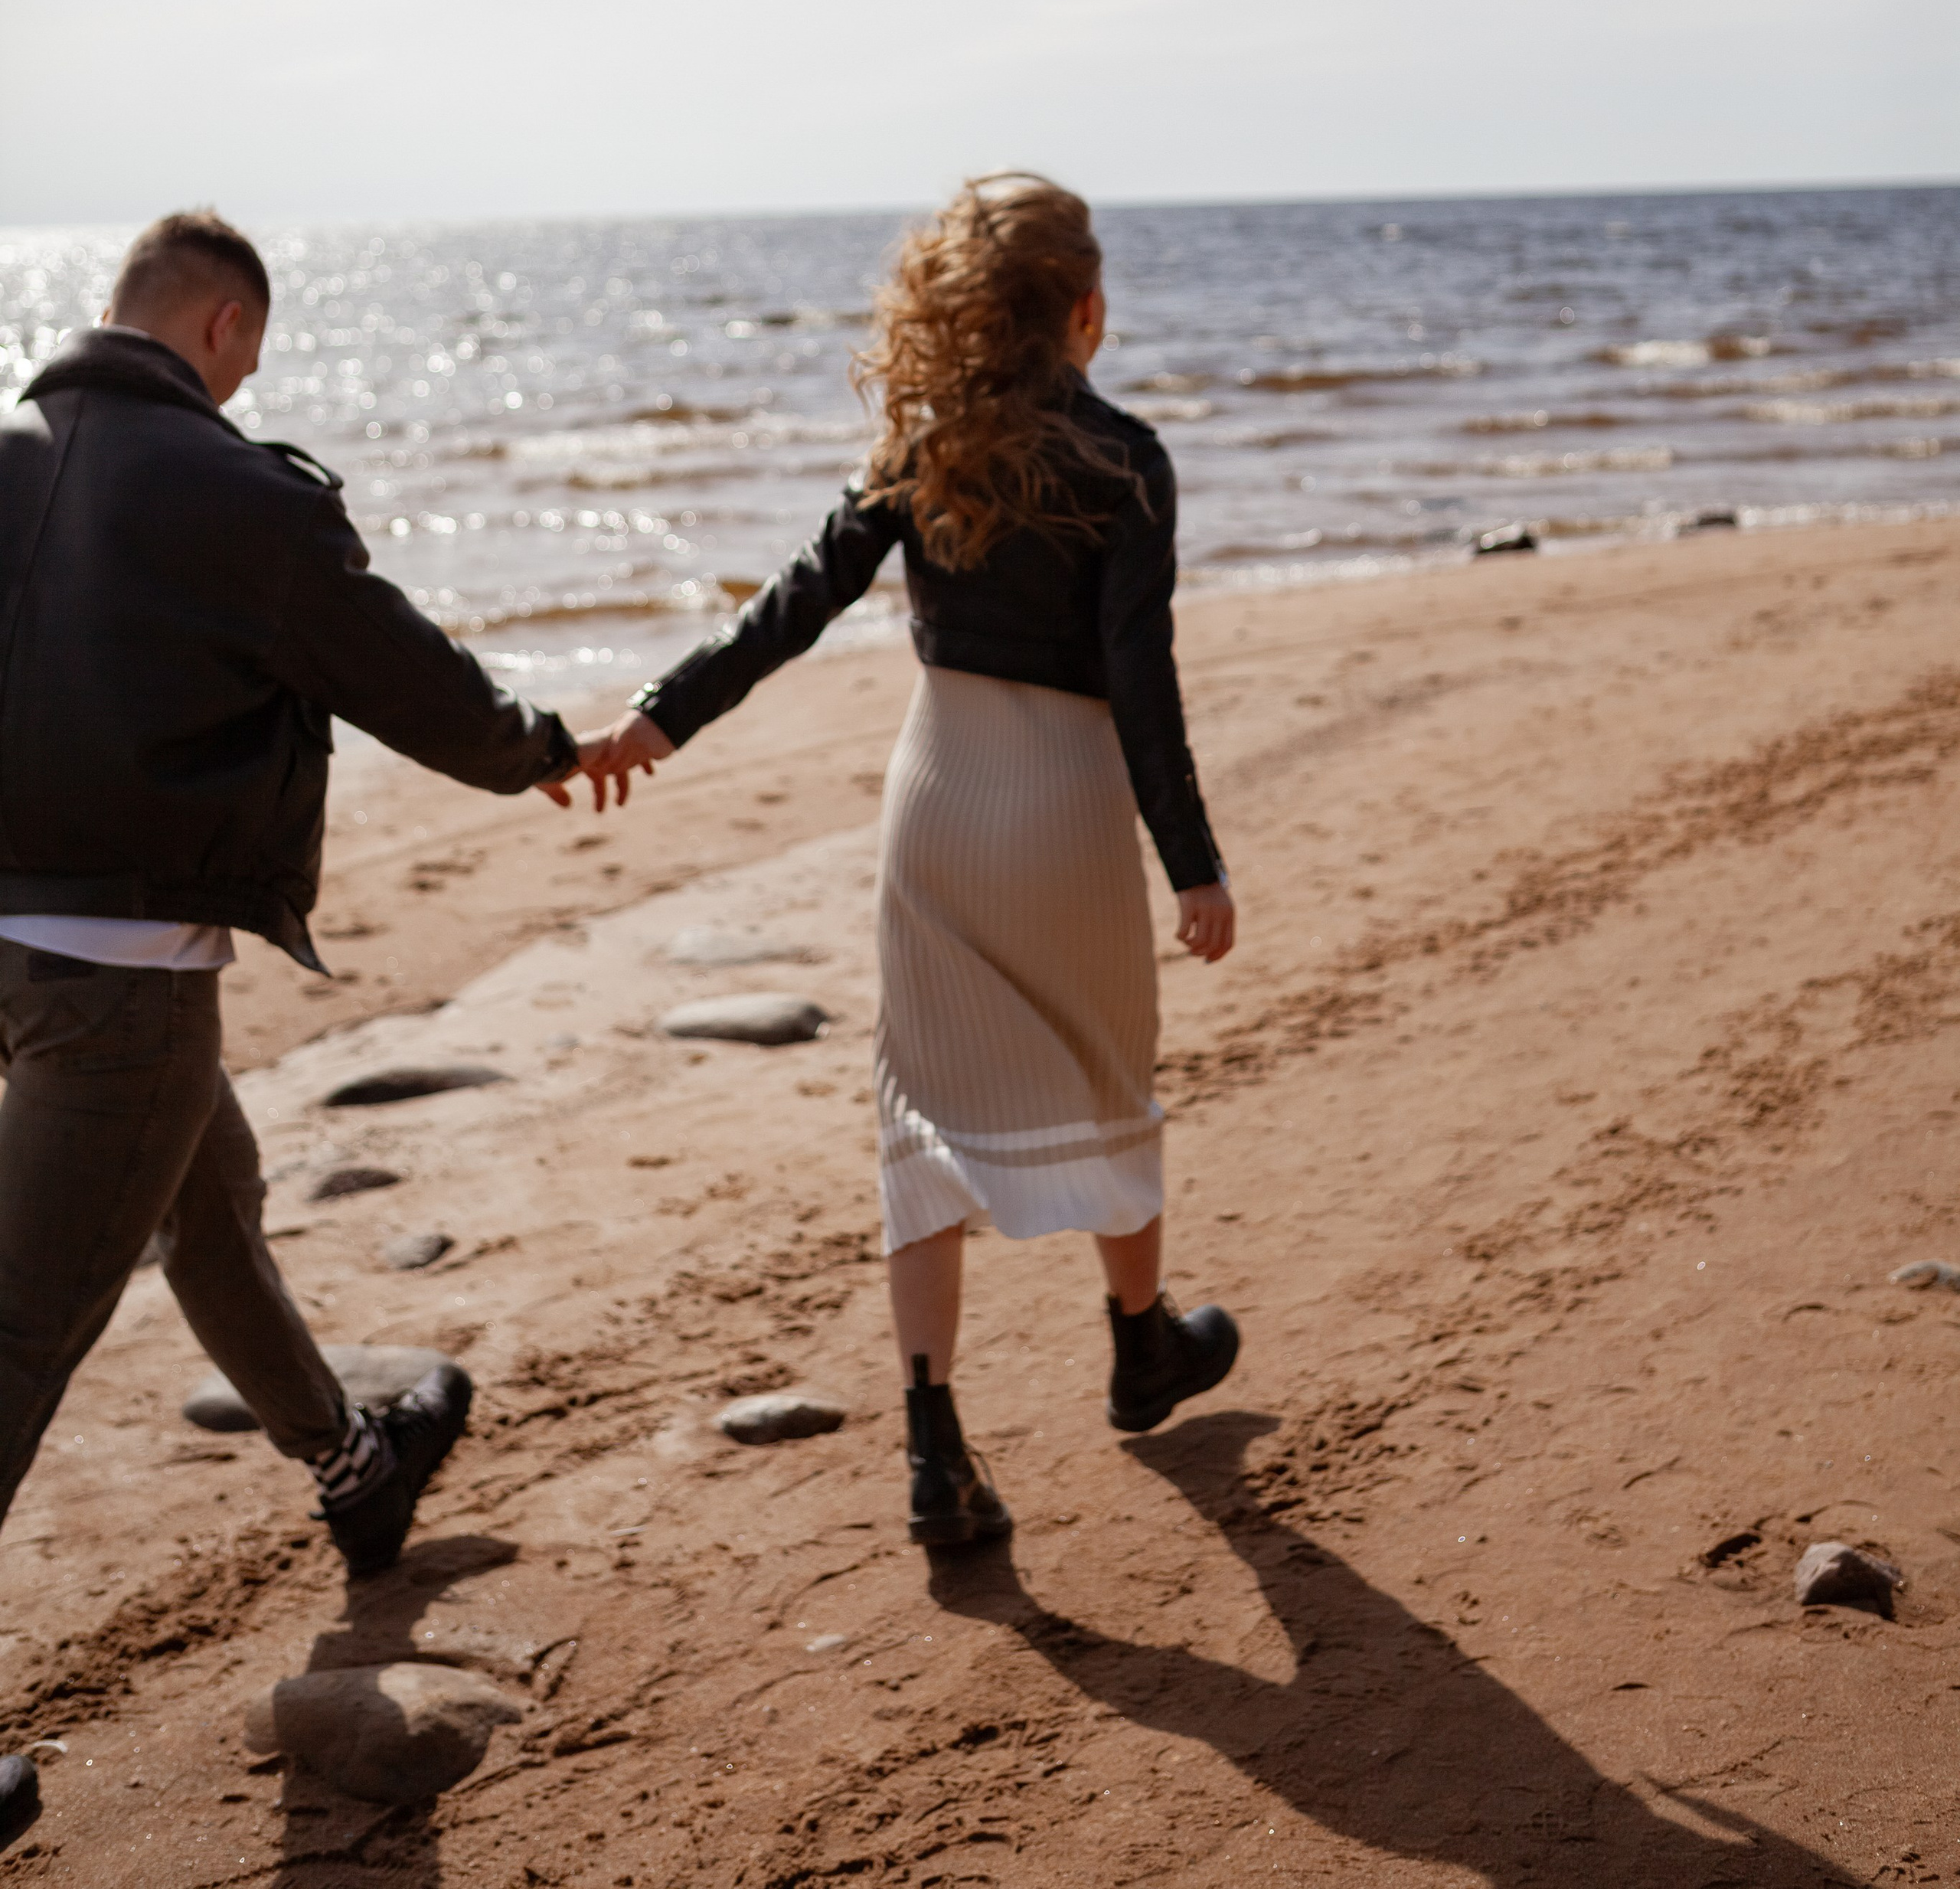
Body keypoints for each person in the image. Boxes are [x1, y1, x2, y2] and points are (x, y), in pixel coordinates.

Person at [0, 211, 599, 1851]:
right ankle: (350, 1462)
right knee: (21, 1337)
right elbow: (401, 675)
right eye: (247, 349)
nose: (248, 374)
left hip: (19, 948)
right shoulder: (240, 496)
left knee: (214, 1212)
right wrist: (546, 749)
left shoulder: (7, 458)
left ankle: (353, 1465)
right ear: (216, 325)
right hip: (118, 979)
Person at [583, 174, 1240, 1549]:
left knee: (921, 1114)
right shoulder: (1128, 461)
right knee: (1110, 1072)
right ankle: (1141, 1348)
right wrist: (1193, 865)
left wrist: (661, 716)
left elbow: (793, 603)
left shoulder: (921, 448)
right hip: (1064, 807)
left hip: (939, 798)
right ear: (1084, 310)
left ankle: (934, 1447)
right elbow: (1143, 678)